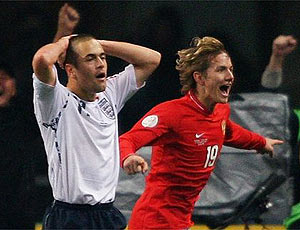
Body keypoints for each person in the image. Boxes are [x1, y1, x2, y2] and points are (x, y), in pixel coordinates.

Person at [119, 36, 283, 229]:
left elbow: (228, 131)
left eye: (231, 69)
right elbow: (127, 139)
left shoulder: (220, 111)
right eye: (221, 69)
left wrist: (260, 142)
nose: (230, 76)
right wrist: (128, 157)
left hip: (181, 221)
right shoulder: (171, 113)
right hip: (155, 221)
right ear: (200, 78)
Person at [32, 27, 161, 229]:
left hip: (107, 214)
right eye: (90, 59)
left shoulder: (110, 93)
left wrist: (95, 44)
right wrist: (65, 42)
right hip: (69, 217)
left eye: (102, 57)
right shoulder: (55, 101)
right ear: (70, 70)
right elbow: (41, 60)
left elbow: (152, 58)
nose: (101, 63)